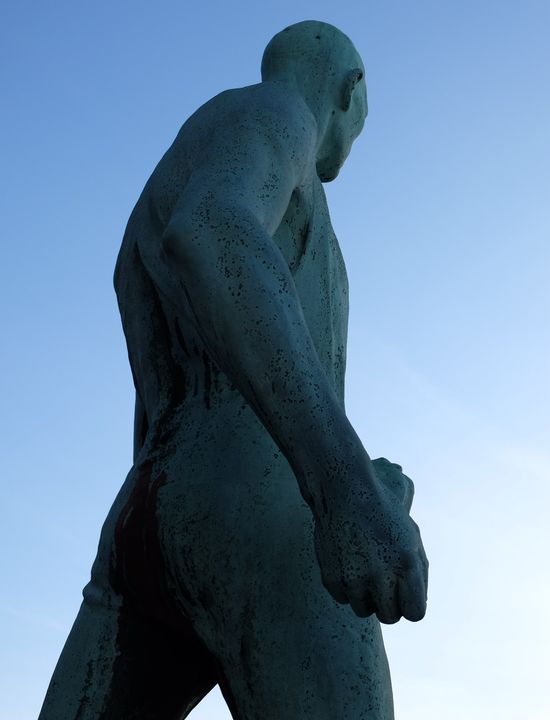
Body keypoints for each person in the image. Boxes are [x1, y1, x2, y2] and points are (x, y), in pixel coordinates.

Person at [39, 20, 427, 719]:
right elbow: (214, 229)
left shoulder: (180, 163)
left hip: (149, 517)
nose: (345, 150)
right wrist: (346, 486)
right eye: (357, 128)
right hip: (272, 522)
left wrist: (362, 473)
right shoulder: (278, 117)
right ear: (348, 91)